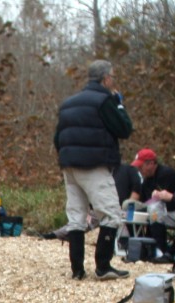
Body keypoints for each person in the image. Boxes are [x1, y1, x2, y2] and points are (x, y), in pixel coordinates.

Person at [52, 59, 133, 280]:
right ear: (106, 79)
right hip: (94, 164)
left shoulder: (68, 103)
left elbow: (57, 138)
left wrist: (67, 157)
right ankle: (103, 266)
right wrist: (119, 104)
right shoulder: (105, 100)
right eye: (113, 77)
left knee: (76, 217)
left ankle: (77, 270)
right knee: (111, 214)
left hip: (69, 165)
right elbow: (124, 129)